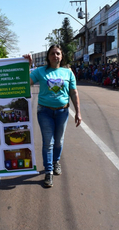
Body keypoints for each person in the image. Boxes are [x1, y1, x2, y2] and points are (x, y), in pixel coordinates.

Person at [24, 44, 82, 188]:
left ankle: (56, 162)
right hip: (45, 112)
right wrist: (28, 65)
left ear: (61, 56)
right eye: (52, 54)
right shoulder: (40, 71)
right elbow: (26, 83)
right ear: (48, 57)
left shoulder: (68, 73)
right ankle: (48, 171)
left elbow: (74, 93)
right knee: (48, 142)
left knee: (59, 141)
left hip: (63, 112)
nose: (55, 56)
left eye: (57, 53)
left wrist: (78, 112)